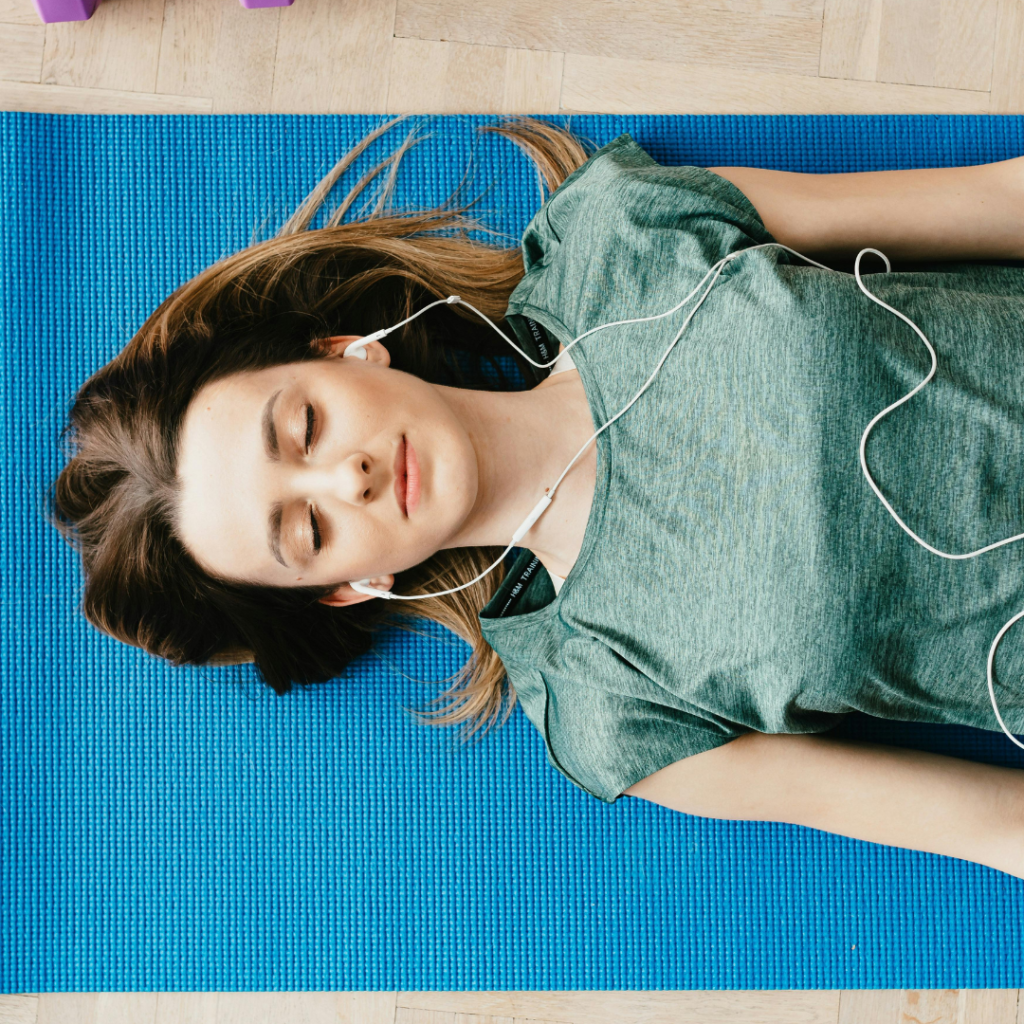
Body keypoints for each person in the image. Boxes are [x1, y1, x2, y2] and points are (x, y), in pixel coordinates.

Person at [52, 118, 1024, 879]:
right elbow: (987, 823)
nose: (342, 475)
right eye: (306, 528)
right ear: (350, 586)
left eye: (302, 427)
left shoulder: (614, 233)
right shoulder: (600, 699)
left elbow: (993, 201)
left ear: (342, 352)